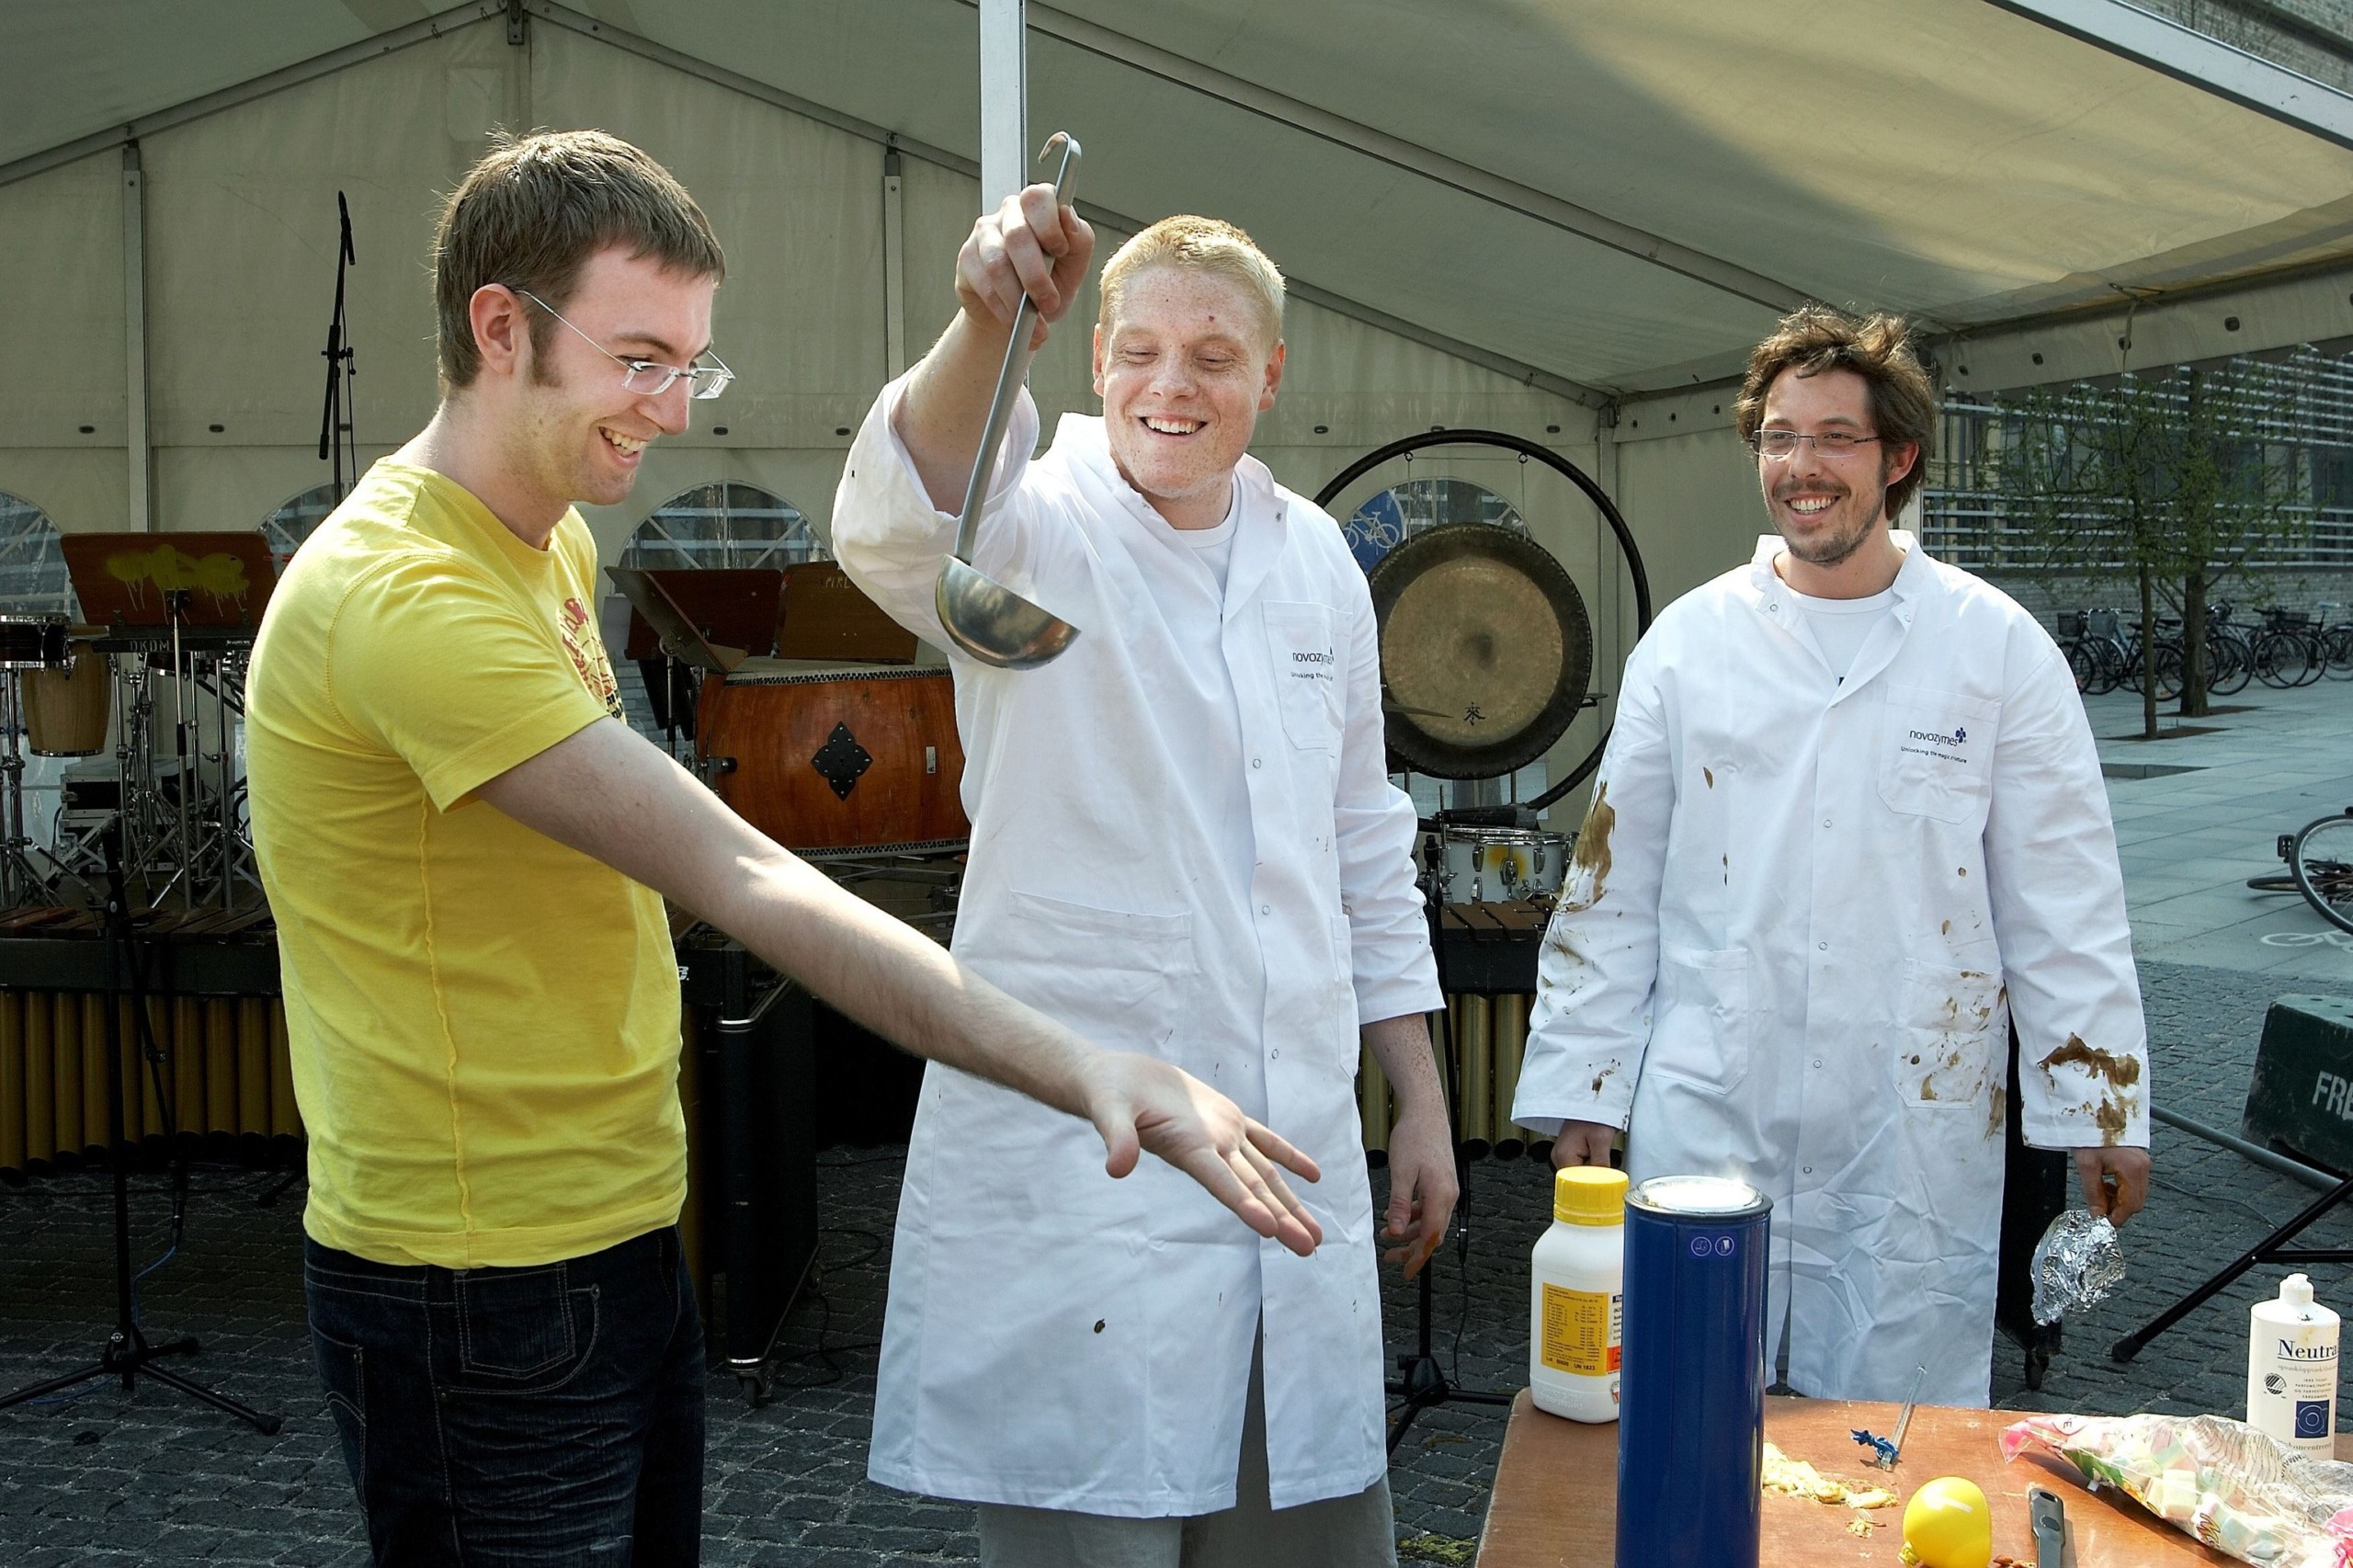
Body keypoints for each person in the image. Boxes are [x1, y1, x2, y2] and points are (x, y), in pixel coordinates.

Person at [244, 129, 1324, 1567]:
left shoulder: (547, 538)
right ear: (500, 329)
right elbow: (744, 877)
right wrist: (1087, 1065)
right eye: (640, 360)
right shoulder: (406, 596)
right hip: (472, 1274)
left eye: (692, 365)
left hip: (613, 1229)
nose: (671, 410)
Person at [829, 187, 1453, 1566]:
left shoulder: (1316, 562)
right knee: (1091, 1524)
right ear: (1096, 356)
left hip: (1287, 1149)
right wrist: (985, 319)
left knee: (1301, 1533)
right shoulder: (1031, 526)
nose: (1173, 385)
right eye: (1142, 352)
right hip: (1083, 1163)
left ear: (1270, 376)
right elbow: (894, 530)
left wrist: (1418, 1096)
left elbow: (1363, 835)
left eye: (1214, 357)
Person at [1512, 306, 2152, 1407]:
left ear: (1897, 457)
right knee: (1692, 1408)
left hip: (1905, 1115)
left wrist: (2099, 1107)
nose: (1800, 466)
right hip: (1715, 1095)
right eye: (1778, 437)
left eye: (1834, 438)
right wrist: (1586, 1086)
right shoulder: (1690, 645)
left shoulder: (1994, 649)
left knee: (1894, 1427)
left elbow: (2064, 897)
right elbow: (1609, 889)